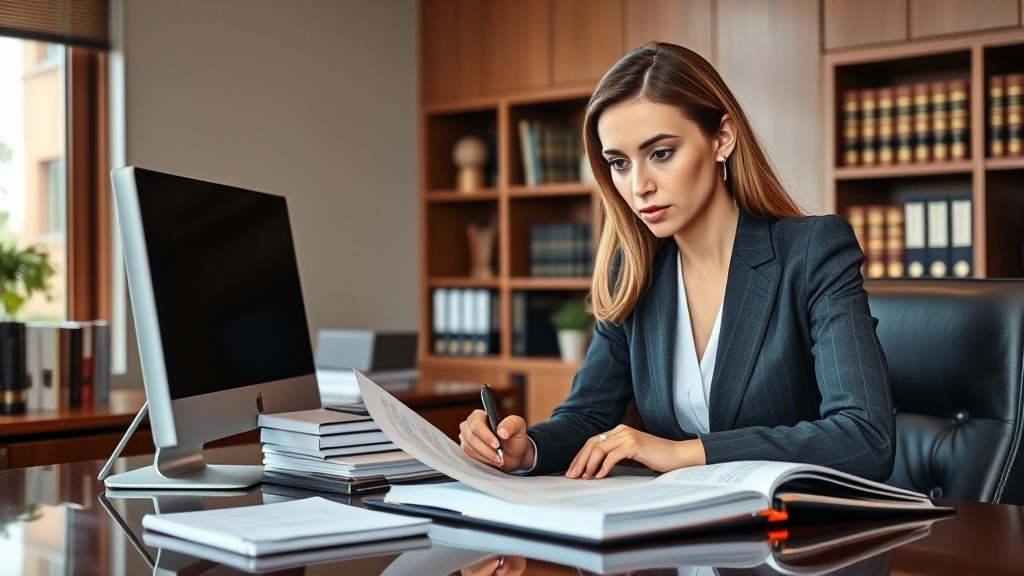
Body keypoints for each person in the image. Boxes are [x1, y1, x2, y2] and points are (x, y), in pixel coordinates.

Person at [458, 42, 894, 482]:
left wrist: (685, 453)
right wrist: (525, 448)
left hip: (795, 539)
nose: (639, 186)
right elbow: (588, 418)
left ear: (721, 138)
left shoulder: (812, 251)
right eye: (619, 163)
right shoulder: (633, 273)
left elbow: (864, 437)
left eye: (661, 153)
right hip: (680, 535)